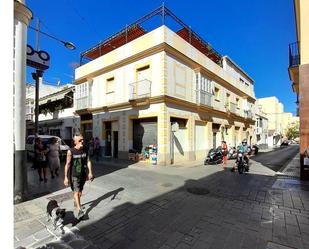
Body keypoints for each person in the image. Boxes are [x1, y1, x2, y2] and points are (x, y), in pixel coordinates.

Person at [64, 134, 94, 219]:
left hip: (83, 174)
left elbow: (88, 161)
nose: (82, 141)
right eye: (80, 140)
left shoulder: (85, 149)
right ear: (75, 142)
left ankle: (76, 203)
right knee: (76, 192)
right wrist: (65, 177)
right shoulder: (70, 151)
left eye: (83, 140)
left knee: (80, 192)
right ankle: (79, 210)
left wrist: (90, 172)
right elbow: (67, 164)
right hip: (74, 175)